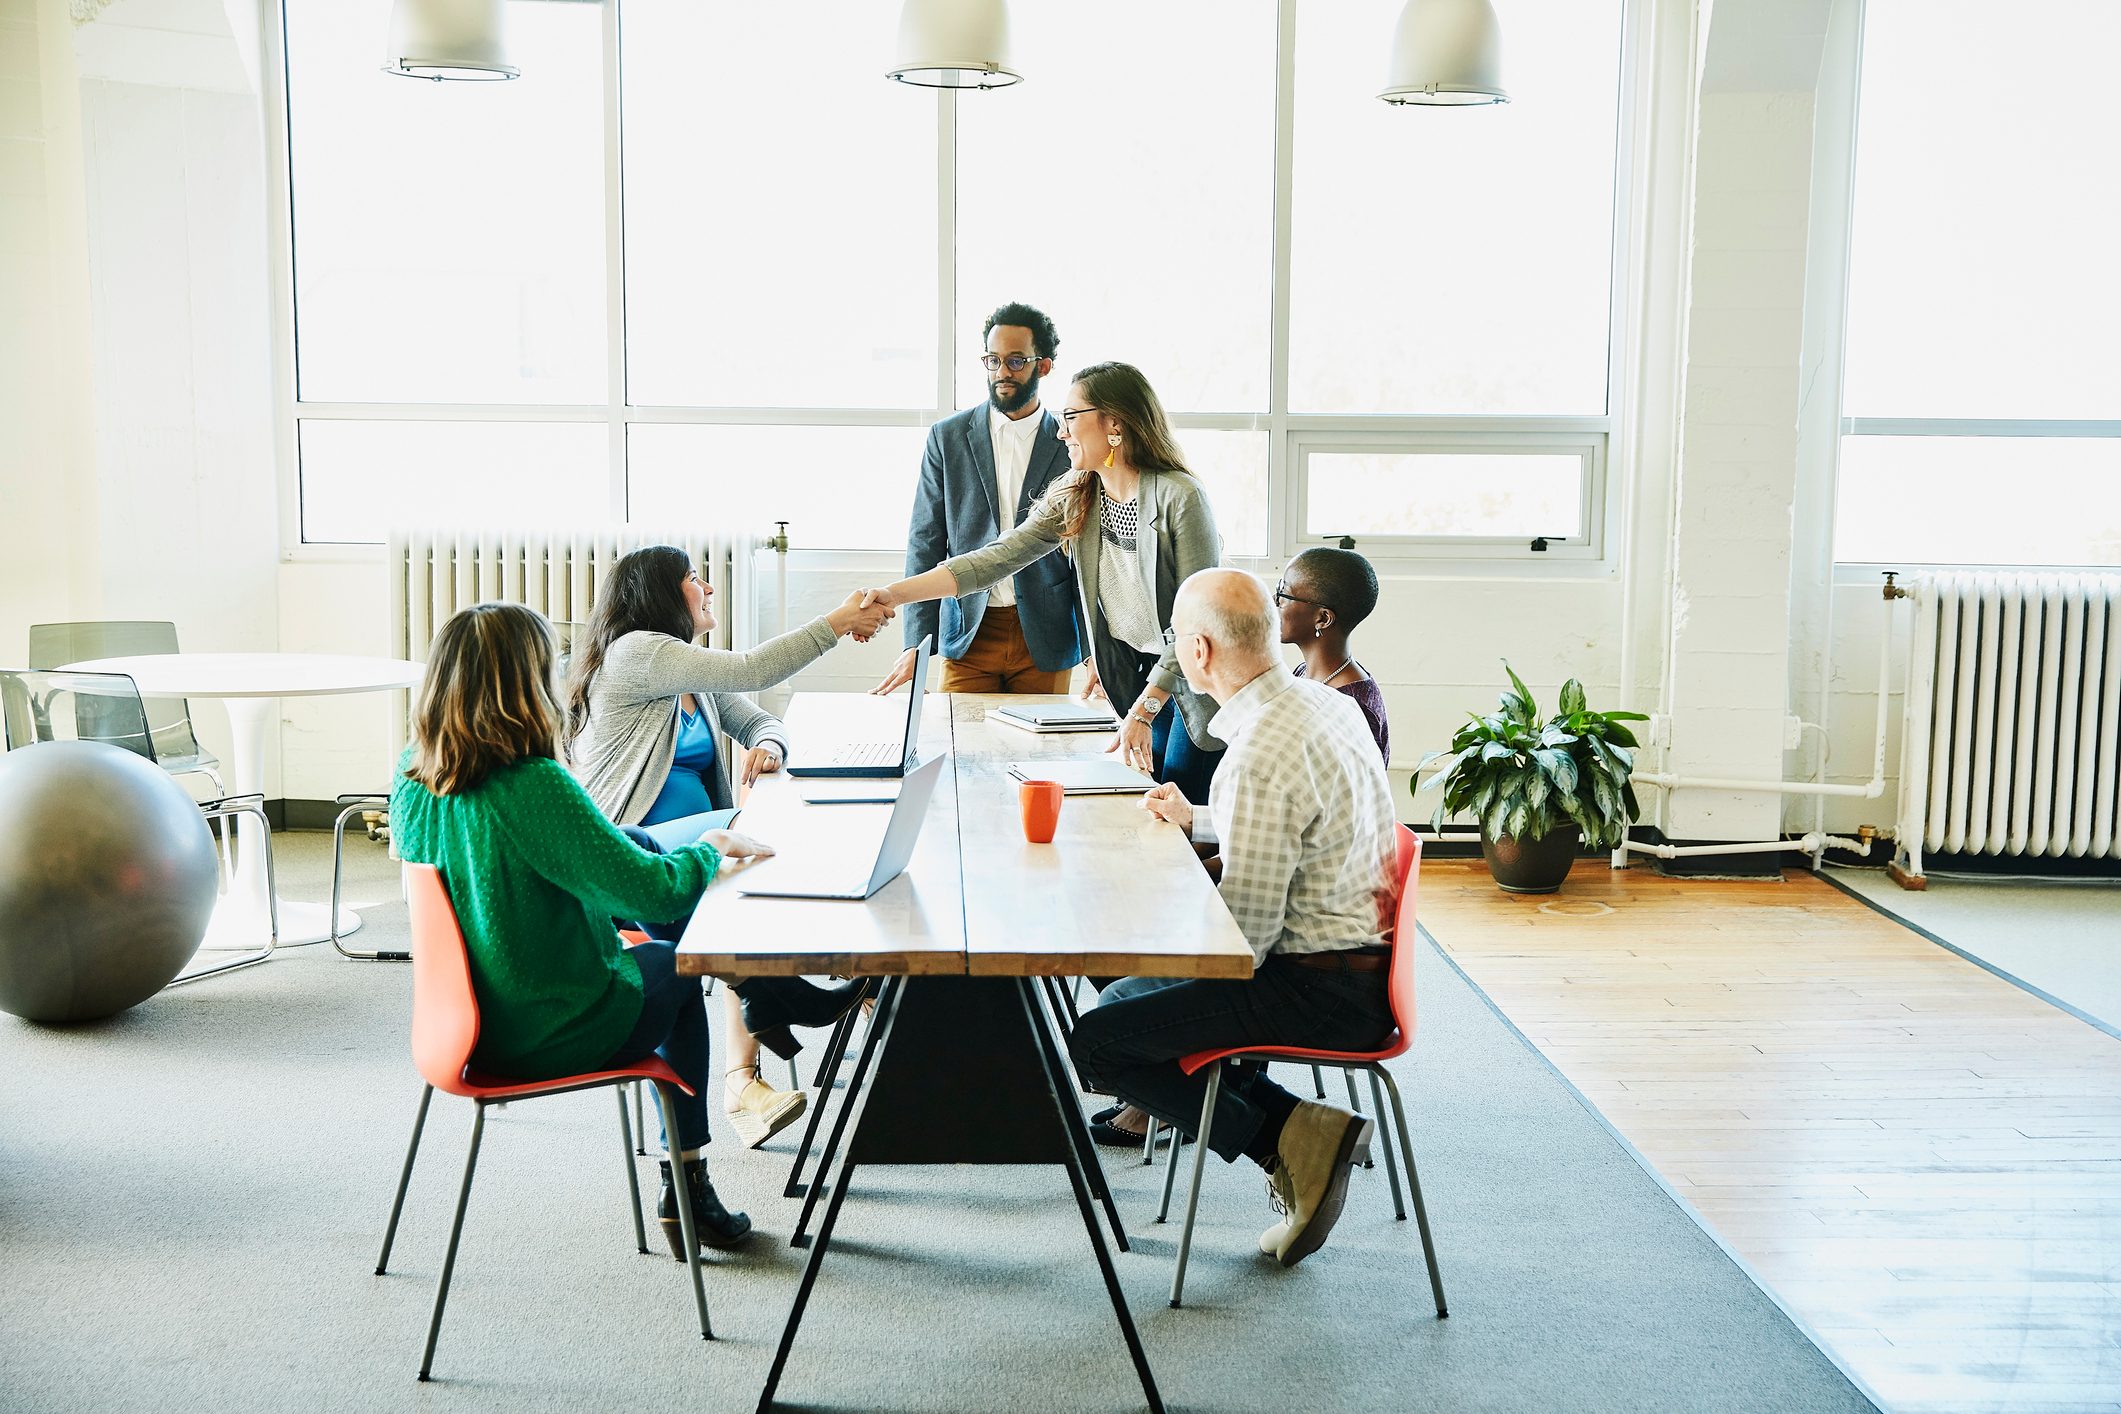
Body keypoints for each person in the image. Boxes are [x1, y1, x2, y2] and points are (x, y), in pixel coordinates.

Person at [390, 602, 767, 1258]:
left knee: (635, 850)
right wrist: (710, 848)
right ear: (527, 681)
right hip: (546, 1024)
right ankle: (689, 1186)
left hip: (464, 1021)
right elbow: (657, 889)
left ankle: (769, 998)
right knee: (674, 963)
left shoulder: (413, 773)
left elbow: (498, 869)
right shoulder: (532, 784)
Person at [1067, 569, 1399, 1268]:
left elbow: (1238, 949)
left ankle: (1288, 1136)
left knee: (1098, 1044)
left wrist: (1143, 905)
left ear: (1198, 652)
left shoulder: (1254, 755)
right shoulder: (1320, 704)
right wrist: (1203, 823)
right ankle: (1299, 1130)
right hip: (1357, 965)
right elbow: (1303, 819)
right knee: (1124, 995)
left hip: (1314, 990)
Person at [566, 544, 889, 1147]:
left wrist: (773, 748)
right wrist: (837, 622)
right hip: (633, 851)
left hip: (700, 849)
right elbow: (755, 668)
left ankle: (771, 1008)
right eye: (694, 579)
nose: (708, 587)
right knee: (759, 839)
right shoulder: (637, 653)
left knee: (749, 862)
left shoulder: (690, 672)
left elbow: (763, 718)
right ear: (661, 594)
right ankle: (795, 990)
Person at [862, 361, 1226, 802]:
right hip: (1140, 680)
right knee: (1153, 807)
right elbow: (994, 560)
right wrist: (893, 595)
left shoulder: (1180, 497)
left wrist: (1146, 709)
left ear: (1114, 422)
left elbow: (1195, 623)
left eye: (1071, 417)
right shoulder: (1079, 492)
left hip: (1194, 684)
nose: (1061, 431)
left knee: (1185, 811)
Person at [872, 302, 1086, 698]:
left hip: (1046, 633)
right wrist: (916, 643)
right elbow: (926, 539)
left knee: (1042, 756)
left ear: (1043, 366)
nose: (1002, 372)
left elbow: (1088, 553)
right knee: (955, 750)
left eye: (1016, 361)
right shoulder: (947, 437)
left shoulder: (1071, 441)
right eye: (993, 360)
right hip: (968, 629)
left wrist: (1095, 654)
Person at [1277, 545, 1388, 762]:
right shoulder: (1304, 672)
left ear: (1323, 619)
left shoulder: (1352, 706)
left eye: (1284, 594)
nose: (1275, 600)